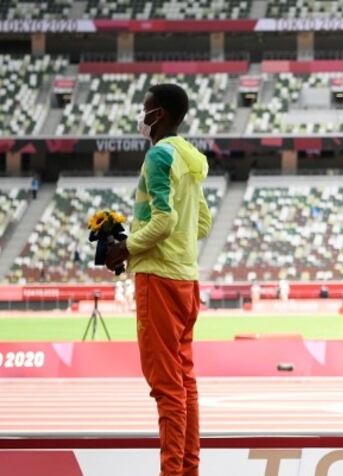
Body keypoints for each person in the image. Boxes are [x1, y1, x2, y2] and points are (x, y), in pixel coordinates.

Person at [105, 83, 213, 476]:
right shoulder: (191, 157)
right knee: (184, 381)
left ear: (161, 114)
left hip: (159, 279)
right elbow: (201, 222)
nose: (142, 115)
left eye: (146, 109)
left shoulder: (158, 156)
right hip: (187, 279)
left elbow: (165, 221)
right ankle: (188, 469)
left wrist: (127, 248)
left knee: (166, 387)